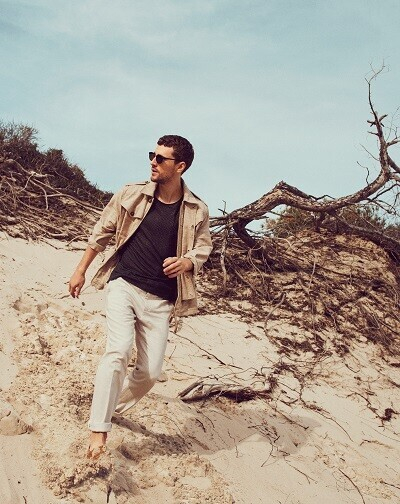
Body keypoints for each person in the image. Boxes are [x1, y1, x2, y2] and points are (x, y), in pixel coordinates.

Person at [68, 135, 212, 459]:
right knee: (118, 351)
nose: (153, 162)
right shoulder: (131, 194)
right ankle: (98, 431)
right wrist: (80, 271)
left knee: (149, 374)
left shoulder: (197, 209)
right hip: (125, 284)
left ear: (180, 166)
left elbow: (203, 247)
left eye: (161, 158)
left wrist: (188, 262)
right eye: (152, 155)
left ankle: (106, 407)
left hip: (161, 300)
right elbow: (101, 232)